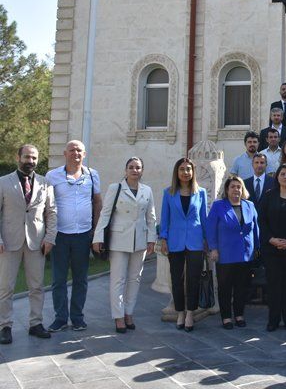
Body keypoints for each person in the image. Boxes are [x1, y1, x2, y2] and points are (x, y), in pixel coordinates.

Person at [92, 157, 156, 333]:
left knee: (135, 279)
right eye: (131, 167)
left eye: (138, 167)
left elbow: (151, 217)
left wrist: (152, 239)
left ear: (142, 171)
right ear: (125, 170)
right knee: (118, 279)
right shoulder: (116, 188)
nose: (135, 170)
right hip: (119, 239)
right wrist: (98, 238)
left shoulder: (147, 190)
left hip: (139, 240)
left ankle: (129, 313)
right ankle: (118, 316)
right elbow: (105, 214)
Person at [0, 145, 56, 344]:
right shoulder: (3, 182)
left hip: (37, 242)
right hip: (8, 242)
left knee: (37, 286)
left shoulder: (45, 183)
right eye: (27, 157)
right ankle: (4, 326)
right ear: (18, 158)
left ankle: (36, 323)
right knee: (5, 287)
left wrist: (50, 237)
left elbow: (51, 212)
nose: (30, 161)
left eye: (34, 158)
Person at [45, 140, 102, 332]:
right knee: (58, 280)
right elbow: (46, 205)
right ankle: (60, 318)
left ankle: (77, 317)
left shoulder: (92, 175)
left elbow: (97, 202)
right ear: (65, 153)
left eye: (79, 150)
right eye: (71, 150)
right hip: (59, 235)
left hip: (83, 235)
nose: (75, 153)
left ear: (84, 154)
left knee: (81, 279)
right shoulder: (52, 176)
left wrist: (96, 231)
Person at [159, 158, 208, 332]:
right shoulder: (168, 193)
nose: (185, 172)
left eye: (188, 169)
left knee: (194, 279)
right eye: (182, 169)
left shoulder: (200, 192)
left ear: (193, 172)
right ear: (177, 172)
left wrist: (207, 240)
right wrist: (163, 239)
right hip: (175, 240)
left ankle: (190, 313)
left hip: (195, 241)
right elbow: (165, 218)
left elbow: (204, 218)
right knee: (177, 279)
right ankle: (180, 311)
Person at [207, 176, 260, 329]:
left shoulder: (249, 205)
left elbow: (256, 228)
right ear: (227, 189)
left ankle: (239, 314)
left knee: (241, 287)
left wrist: (257, 247)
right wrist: (213, 248)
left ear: (242, 189)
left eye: (239, 186)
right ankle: (226, 317)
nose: (236, 189)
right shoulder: (218, 206)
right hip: (225, 254)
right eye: (233, 187)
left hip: (245, 254)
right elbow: (211, 229)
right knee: (225, 287)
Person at [259, 164, 286, 331]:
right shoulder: (268, 196)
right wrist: (271, 239)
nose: (285, 177)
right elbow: (261, 221)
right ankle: (273, 320)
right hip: (272, 249)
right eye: (282, 174)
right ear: (277, 177)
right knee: (273, 285)